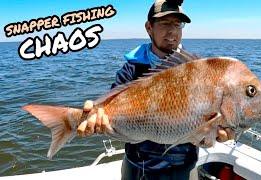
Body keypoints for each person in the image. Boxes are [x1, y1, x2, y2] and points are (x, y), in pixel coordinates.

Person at [77, 0, 235, 179]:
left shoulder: (198, 69)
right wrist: (97, 118)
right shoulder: (131, 70)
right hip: (140, 169)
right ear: (149, 27)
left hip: (185, 166)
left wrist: (212, 135)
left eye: (177, 24)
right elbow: (110, 110)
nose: (172, 31)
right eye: (165, 23)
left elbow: (203, 126)